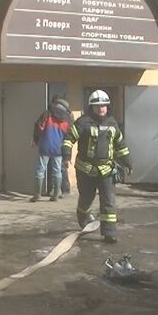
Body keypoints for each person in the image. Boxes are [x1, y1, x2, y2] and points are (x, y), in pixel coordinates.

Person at [62, 89, 132, 244]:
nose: (101, 108)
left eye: (104, 105)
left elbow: (120, 144)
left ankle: (110, 233)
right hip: (85, 169)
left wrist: (127, 161)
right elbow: (69, 138)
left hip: (106, 170)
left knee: (108, 200)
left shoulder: (112, 123)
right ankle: (83, 216)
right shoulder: (82, 122)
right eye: (98, 106)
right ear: (91, 107)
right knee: (87, 198)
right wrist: (66, 156)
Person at [31, 96, 72, 202]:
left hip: (45, 146)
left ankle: (37, 195)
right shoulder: (67, 118)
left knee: (40, 170)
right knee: (57, 170)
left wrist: (36, 140)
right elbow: (69, 135)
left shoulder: (47, 114)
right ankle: (56, 195)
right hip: (59, 148)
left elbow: (38, 127)